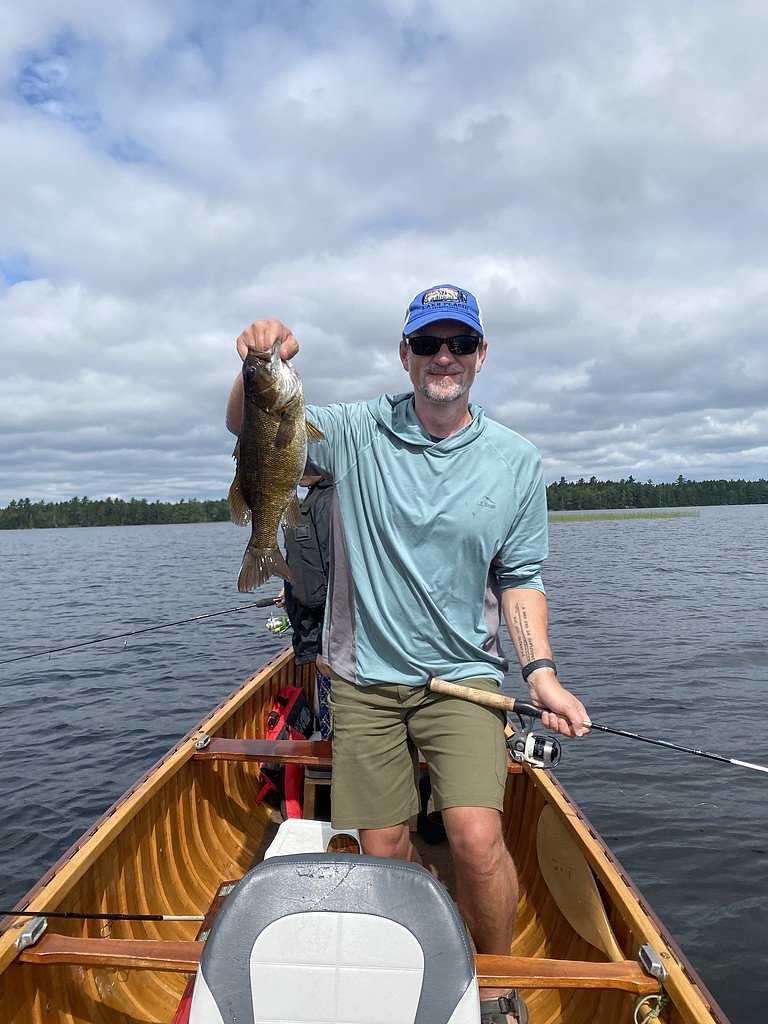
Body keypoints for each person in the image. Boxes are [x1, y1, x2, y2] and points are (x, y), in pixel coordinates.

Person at [226, 284, 590, 1024]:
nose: (443, 358)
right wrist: (255, 363)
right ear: (405, 355)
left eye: (459, 344)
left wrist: (543, 674)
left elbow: (520, 581)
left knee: (478, 836)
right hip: (363, 677)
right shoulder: (356, 430)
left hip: (463, 681)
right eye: (428, 344)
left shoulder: (515, 460)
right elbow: (250, 424)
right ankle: (400, 962)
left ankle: (490, 983)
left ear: (481, 357)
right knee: (382, 845)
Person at [281, 466, 334, 739]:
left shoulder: (329, 503)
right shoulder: (315, 498)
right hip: (319, 636)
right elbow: (311, 564)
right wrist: (288, 586)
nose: (300, 467)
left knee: (336, 728)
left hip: (332, 641)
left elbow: (338, 579)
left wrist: (325, 646)